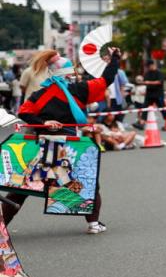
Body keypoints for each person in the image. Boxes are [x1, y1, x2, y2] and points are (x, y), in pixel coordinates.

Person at [2, 47, 122, 235]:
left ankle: (2, 225)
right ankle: (93, 223)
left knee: (23, 187)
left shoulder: (40, 94)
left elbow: (24, 112)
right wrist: (115, 58)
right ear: (67, 71)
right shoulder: (79, 90)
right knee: (87, 182)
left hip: (43, 147)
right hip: (70, 147)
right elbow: (106, 79)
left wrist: (43, 123)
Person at [142, 60, 165, 125]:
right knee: (145, 108)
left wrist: (149, 82)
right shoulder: (147, 73)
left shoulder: (159, 73)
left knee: (162, 108)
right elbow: (144, 81)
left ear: (152, 65)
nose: (148, 68)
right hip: (149, 94)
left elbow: (159, 82)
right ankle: (142, 122)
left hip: (158, 94)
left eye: (148, 66)